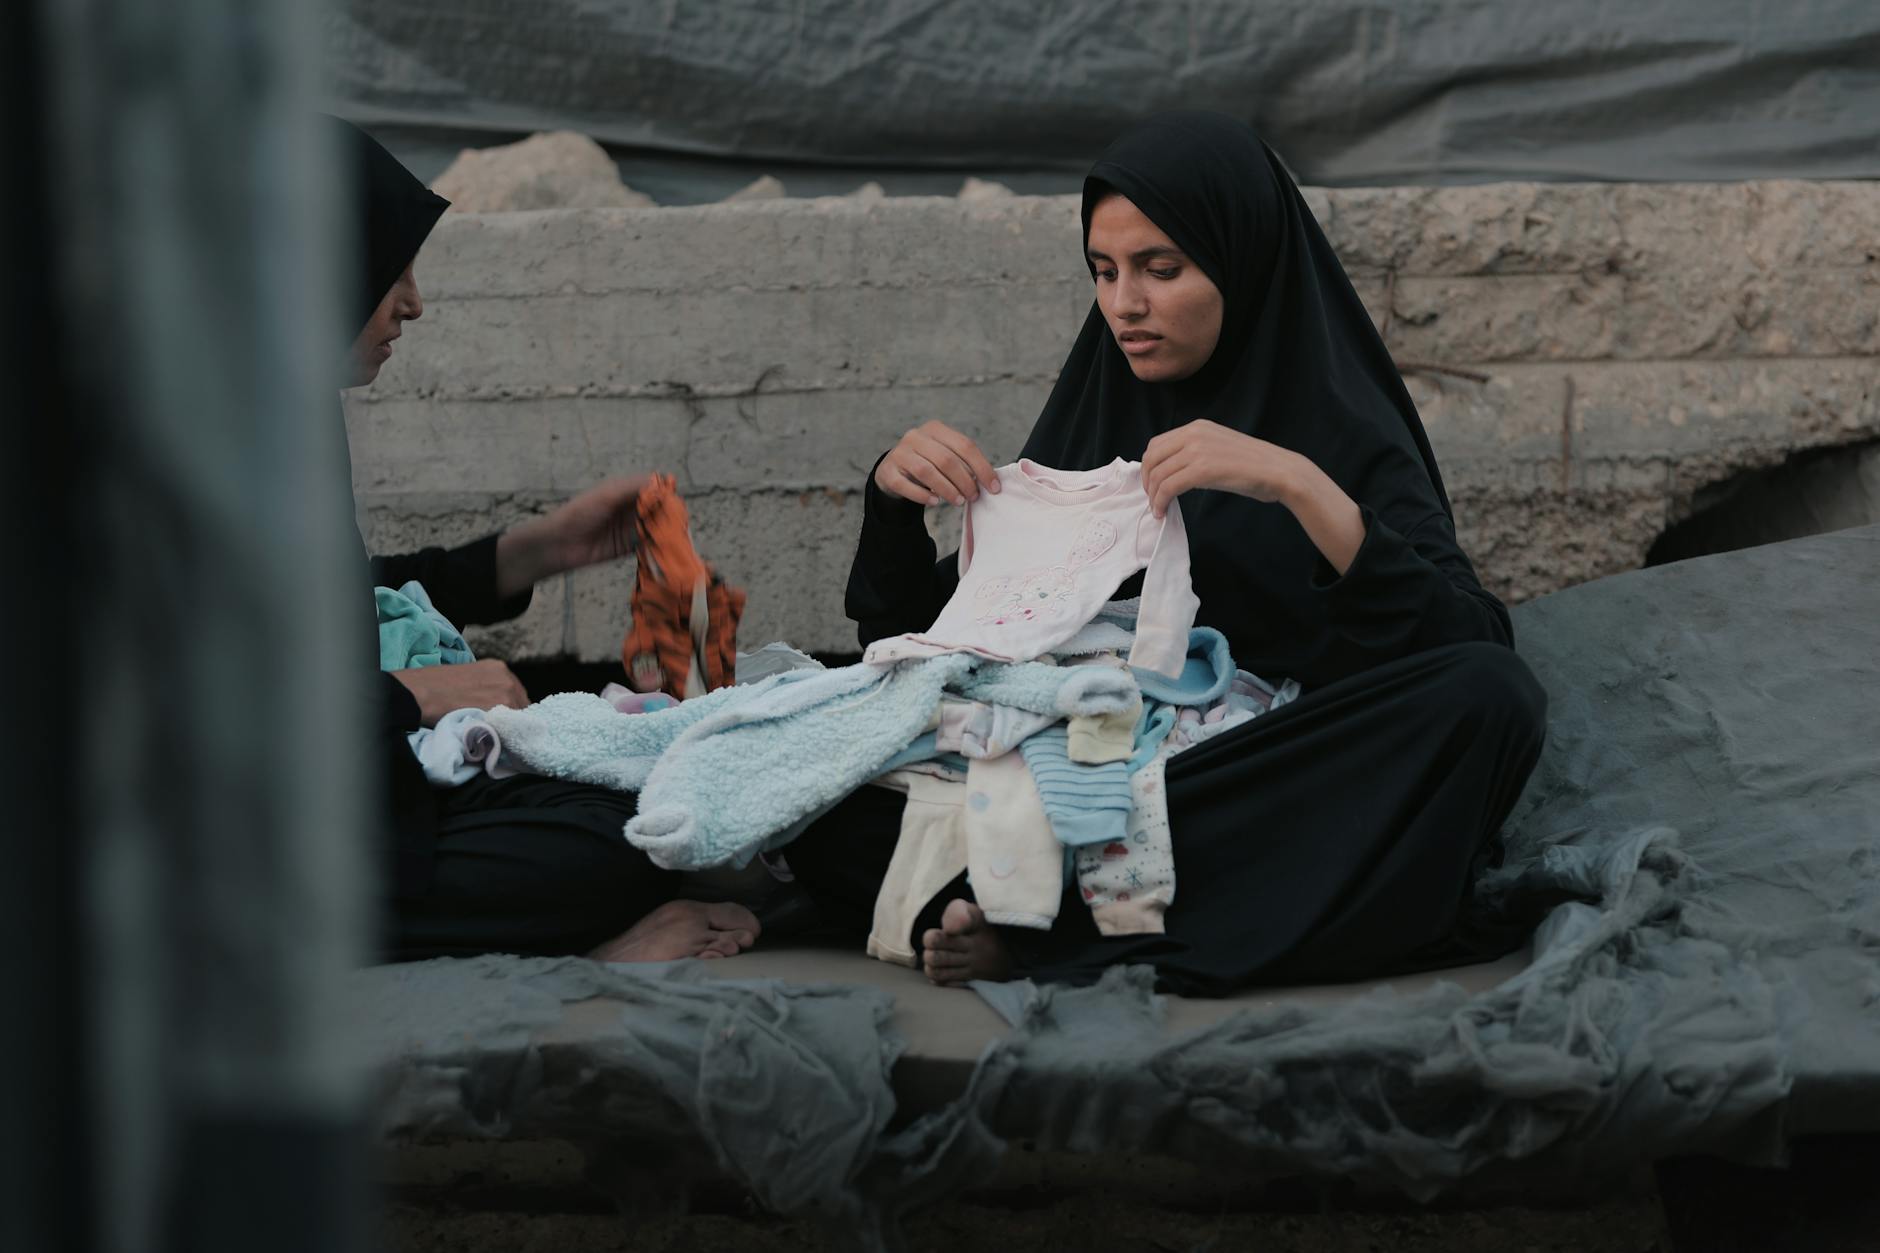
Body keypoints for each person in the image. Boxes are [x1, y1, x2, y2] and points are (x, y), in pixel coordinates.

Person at [784, 113, 1548, 996]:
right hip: (1081, 766)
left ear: (1241, 260)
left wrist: (1298, 485)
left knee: (1491, 701)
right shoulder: (1096, 413)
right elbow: (952, 660)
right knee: (813, 779)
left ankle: (1044, 923)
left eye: (1162, 269)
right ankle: (1057, 911)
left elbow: (1469, 649)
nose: (1125, 306)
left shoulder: (1334, 429)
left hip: (1258, 784)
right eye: (1103, 272)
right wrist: (890, 503)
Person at [331, 118, 761, 963]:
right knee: (622, 849)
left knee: (641, 807)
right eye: (392, 271)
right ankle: (590, 949)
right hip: (259, 839)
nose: (412, 302)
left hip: (355, 789)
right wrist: (410, 697)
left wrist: (532, 552)